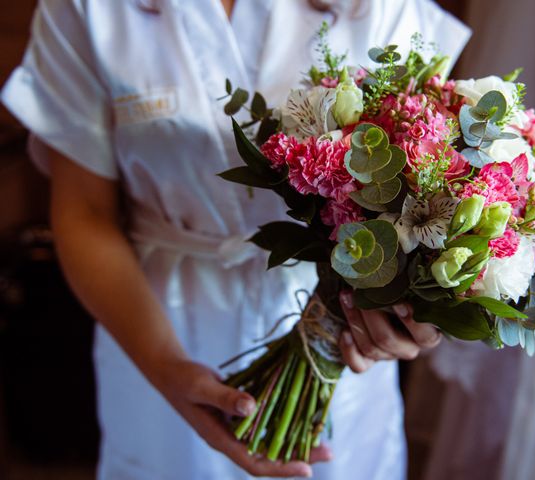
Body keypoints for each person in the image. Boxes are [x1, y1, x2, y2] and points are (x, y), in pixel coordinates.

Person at [1, 0, 469, 478]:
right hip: (153, 322)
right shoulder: (86, 10)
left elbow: (422, 170)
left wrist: (400, 312)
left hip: (331, 324)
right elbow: (86, 211)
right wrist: (165, 366)